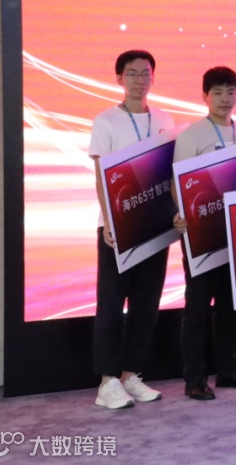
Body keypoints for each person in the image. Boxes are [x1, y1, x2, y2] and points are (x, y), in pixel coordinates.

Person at [89, 50, 176, 409]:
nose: (140, 80)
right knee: (112, 304)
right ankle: (107, 382)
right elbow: (101, 175)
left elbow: (169, 174)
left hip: (155, 226)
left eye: (146, 73)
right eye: (132, 73)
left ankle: (130, 375)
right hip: (117, 226)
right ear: (119, 78)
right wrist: (110, 220)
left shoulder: (164, 119)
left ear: (153, 77)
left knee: (146, 305)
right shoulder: (106, 120)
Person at [172, 66, 236, 400]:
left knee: (230, 304)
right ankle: (194, 378)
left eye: (230, 92)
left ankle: (227, 370)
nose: (225, 99)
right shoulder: (191, 135)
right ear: (205, 96)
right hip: (200, 231)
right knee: (198, 305)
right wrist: (182, 214)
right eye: (218, 92)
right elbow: (177, 183)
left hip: (234, 229)